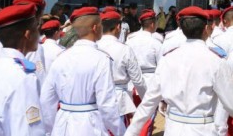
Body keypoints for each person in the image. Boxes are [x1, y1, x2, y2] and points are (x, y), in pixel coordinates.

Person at [124, 6, 233, 136]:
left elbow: (148, 103)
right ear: (206, 29)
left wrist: (130, 133)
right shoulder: (216, 61)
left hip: (174, 129)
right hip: (203, 129)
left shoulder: (168, 59)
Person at [40, 7, 124, 136]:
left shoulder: (61, 57)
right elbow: (107, 105)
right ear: (95, 28)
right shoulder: (101, 59)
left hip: (62, 124)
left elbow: (46, 100)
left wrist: (50, 130)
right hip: (90, 125)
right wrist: (121, 131)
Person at [0, 3, 45, 135]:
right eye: (36, 29)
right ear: (27, 34)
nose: (39, 34)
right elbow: (30, 131)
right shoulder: (24, 78)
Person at [97, 10, 147, 125]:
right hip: (119, 100)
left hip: (98, 99)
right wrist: (146, 100)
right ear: (118, 27)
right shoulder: (124, 49)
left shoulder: (94, 47)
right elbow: (138, 80)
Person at [125, 9, 163, 88]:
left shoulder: (130, 40)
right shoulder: (156, 42)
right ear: (152, 24)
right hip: (151, 81)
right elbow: (161, 65)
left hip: (132, 82)